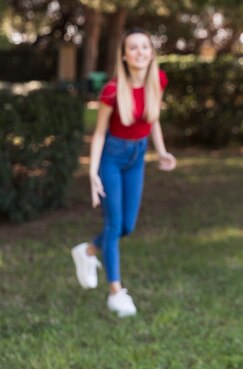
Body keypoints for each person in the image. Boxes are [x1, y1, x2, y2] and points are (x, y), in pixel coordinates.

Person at [71, 28, 176, 318]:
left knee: (127, 226)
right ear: (125, 56)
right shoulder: (113, 91)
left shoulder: (159, 80)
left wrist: (162, 151)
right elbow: (100, 133)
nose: (140, 52)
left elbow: (152, 118)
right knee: (114, 225)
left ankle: (88, 251)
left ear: (151, 53)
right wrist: (93, 173)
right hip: (111, 160)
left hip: (137, 157)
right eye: (133, 47)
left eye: (145, 47)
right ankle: (116, 293)